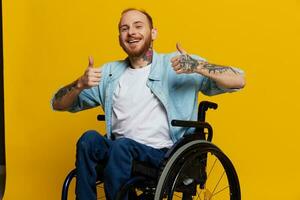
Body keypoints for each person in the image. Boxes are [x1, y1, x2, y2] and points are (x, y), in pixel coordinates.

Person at [51, 8, 245, 200]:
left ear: (153, 33)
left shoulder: (176, 64)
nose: (131, 32)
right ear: (119, 37)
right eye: (124, 28)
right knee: (89, 140)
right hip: (120, 152)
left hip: (163, 155)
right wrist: (79, 85)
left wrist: (197, 66)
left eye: (138, 26)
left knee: (121, 147)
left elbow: (239, 80)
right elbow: (58, 103)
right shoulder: (110, 74)